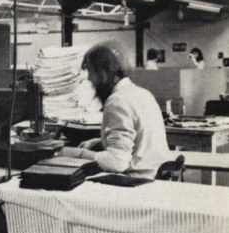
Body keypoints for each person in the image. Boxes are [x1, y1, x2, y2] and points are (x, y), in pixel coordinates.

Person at [61, 41, 170, 179]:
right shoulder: (142, 93)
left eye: (91, 71)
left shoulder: (117, 101)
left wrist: (73, 153)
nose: (89, 78)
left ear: (104, 72)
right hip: (155, 174)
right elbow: (138, 140)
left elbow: (117, 162)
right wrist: (99, 142)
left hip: (137, 180)